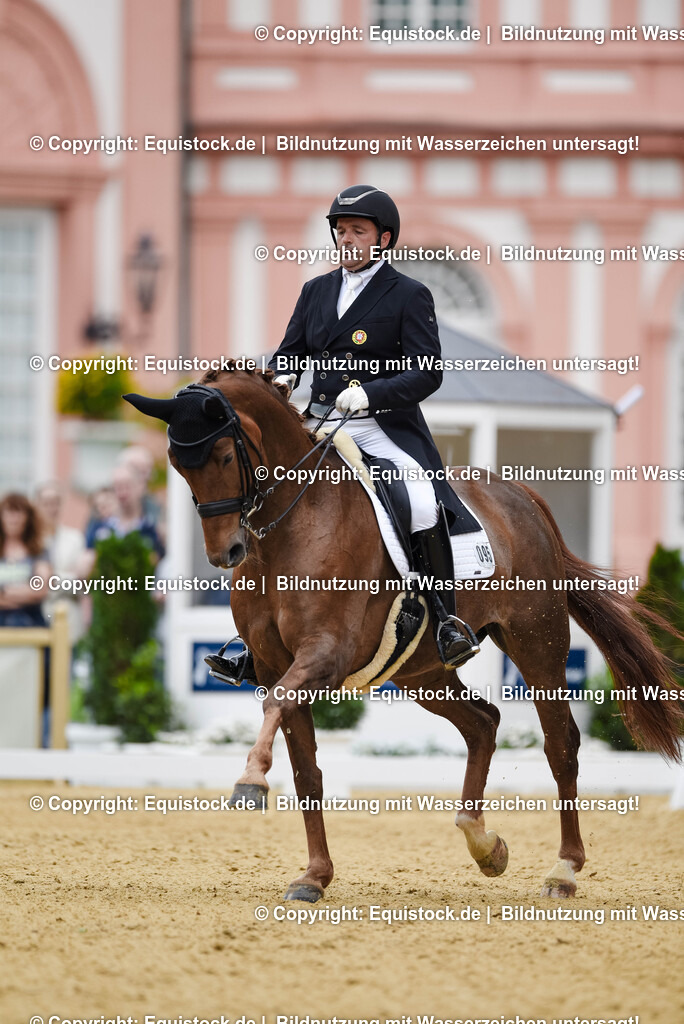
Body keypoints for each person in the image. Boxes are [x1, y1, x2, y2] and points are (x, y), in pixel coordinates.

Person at [213, 184, 481, 685]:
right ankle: (254, 637)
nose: (346, 239)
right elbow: (291, 352)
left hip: (382, 425)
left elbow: (428, 373)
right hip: (319, 421)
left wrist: (371, 393)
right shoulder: (316, 291)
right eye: (340, 231)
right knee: (263, 492)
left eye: (357, 231)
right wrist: (280, 379)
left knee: (422, 504)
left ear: (384, 238)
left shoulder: (408, 295)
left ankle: (447, 620)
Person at [35, 482, 86, 643]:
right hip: (38, 620)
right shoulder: (30, 541)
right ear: (37, 506)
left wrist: (48, 580)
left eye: (55, 503)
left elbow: (81, 584)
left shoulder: (75, 539)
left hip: (70, 621)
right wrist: (66, 578)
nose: (52, 508)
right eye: (46, 503)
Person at [0, 493, 50, 627]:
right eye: (9, 513)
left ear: (28, 519)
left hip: (29, 620)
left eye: (19, 513)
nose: (13, 519)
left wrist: (4, 593)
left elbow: (41, 589)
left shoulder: (39, 552)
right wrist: (25, 593)